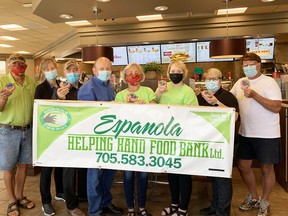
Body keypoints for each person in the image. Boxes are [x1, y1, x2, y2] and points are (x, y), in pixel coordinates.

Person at [230, 52, 282, 216]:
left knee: (267, 168)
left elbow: (276, 107)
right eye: (245, 65)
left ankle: (265, 201)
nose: (247, 68)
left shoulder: (269, 82)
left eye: (250, 65)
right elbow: (230, 101)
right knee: (243, 166)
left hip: (267, 134)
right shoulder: (239, 82)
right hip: (245, 132)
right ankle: (253, 196)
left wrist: (255, 95)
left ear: (258, 65)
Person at [78, 57, 123, 216]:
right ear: (94, 71)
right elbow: (86, 116)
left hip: (110, 139)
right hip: (96, 141)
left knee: (108, 175)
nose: (106, 71)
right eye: (102, 68)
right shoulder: (87, 88)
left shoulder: (109, 86)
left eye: (108, 68)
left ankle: (106, 202)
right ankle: (95, 211)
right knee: (95, 178)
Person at [156, 60, 198, 216]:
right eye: (173, 70)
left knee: (184, 172)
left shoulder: (188, 91)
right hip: (166, 137)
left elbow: (193, 114)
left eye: (179, 71)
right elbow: (153, 107)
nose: (175, 73)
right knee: (171, 172)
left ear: (184, 73)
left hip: (183, 137)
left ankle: (183, 208)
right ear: (168, 72)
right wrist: (159, 93)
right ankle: (174, 204)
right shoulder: (162, 88)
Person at [115, 63, 156, 216]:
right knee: (127, 175)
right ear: (125, 77)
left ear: (142, 76)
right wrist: (126, 105)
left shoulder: (148, 91)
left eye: (136, 72)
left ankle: (142, 207)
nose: (133, 75)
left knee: (144, 175)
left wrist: (146, 106)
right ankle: (131, 208)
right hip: (127, 142)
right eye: (130, 73)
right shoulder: (120, 95)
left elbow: (157, 112)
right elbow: (116, 117)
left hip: (145, 141)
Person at [197, 68, 239, 216]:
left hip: (224, 143)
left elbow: (234, 117)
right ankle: (214, 206)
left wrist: (216, 103)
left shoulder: (228, 97)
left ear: (221, 81)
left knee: (222, 177)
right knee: (213, 176)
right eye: (208, 79)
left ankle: (223, 211)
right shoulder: (200, 97)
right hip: (207, 142)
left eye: (214, 79)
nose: (211, 81)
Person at [0, 54, 37, 216]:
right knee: (9, 168)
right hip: (8, 130)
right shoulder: (2, 81)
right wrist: (3, 99)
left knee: (23, 165)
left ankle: (20, 196)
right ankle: (11, 200)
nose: (18, 67)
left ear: (26, 67)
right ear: (9, 66)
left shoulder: (31, 82)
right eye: (14, 64)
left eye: (21, 64)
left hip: (27, 130)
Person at [52, 59, 86, 216]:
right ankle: (72, 205)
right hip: (67, 137)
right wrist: (60, 99)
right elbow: (51, 112)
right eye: (69, 70)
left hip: (85, 134)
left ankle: (84, 196)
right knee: (69, 171)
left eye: (75, 70)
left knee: (85, 167)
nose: (73, 73)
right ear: (64, 73)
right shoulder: (60, 90)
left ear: (80, 72)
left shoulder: (86, 88)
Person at [35, 57, 65, 216]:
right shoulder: (40, 88)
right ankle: (45, 201)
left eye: (53, 67)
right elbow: (41, 111)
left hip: (61, 131)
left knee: (59, 165)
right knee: (46, 170)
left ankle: (60, 192)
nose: (51, 71)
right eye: (48, 68)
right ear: (42, 71)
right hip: (46, 134)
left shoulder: (61, 84)